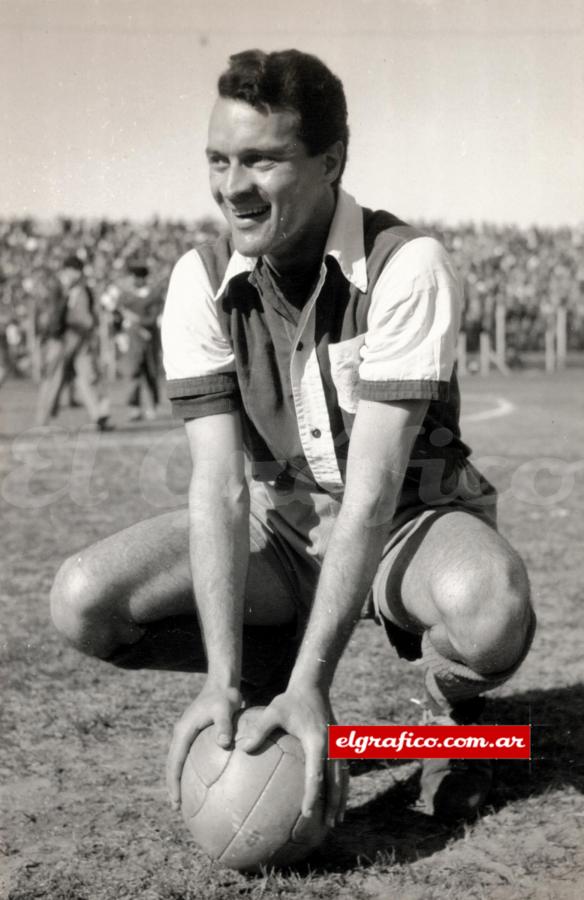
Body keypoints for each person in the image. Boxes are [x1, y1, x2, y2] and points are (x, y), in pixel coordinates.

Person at [49, 50, 535, 832]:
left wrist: (320, 677)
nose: (233, 187)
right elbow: (219, 485)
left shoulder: (406, 264)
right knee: (83, 601)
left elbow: (374, 492)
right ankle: (267, 677)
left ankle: (452, 715)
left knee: (490, 608)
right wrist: (221, 678)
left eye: (263, 161)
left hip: (409, 526)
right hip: (283, 533)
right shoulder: (197, 279)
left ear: (331, 161)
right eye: (218, 159)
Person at [35, 255, 112, 430]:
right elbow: (52, 316)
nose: (77, 274)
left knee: (86, 376)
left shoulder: (78, 288)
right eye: (75, 271)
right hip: (61, 338)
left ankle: (99, 415)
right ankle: (43, 421)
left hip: (77, 338)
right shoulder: (56, 287)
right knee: (55, 379)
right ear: (67, 270)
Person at [112, 263, 164, 421]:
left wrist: (135, 319)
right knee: (132, 374)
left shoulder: (153, 295)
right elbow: (117, 317)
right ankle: (134, 407)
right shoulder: (125, 296)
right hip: (131, 343)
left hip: (148, 341)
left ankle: (153, 405)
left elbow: (152, 320)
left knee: (150, 374)